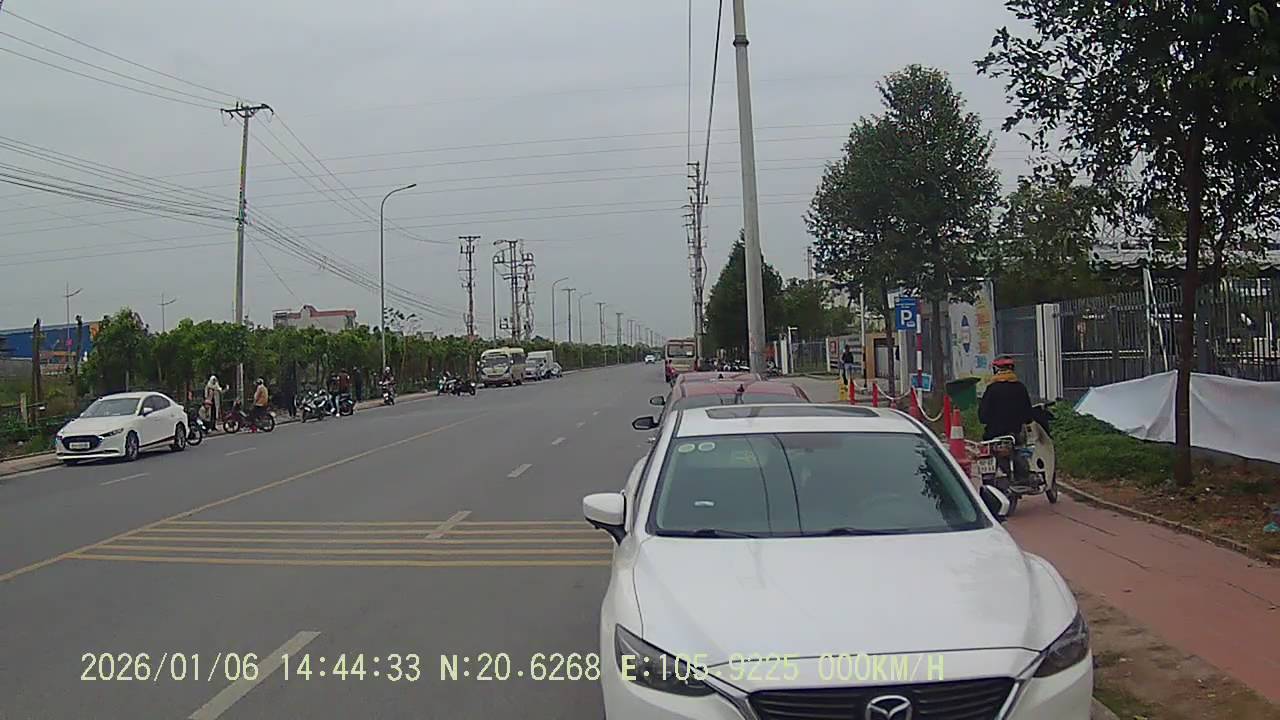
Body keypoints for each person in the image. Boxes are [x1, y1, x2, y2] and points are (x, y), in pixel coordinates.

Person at [978, 356, 1035, 483]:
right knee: (1022, 450)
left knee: (987, 454)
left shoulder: (991, 389)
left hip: (993, 435)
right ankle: (1023, 477)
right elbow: (1028, 416)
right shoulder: (1020, 388)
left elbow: (982, 416)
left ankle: (989, 478)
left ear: (996, 370)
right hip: (1014, 434)